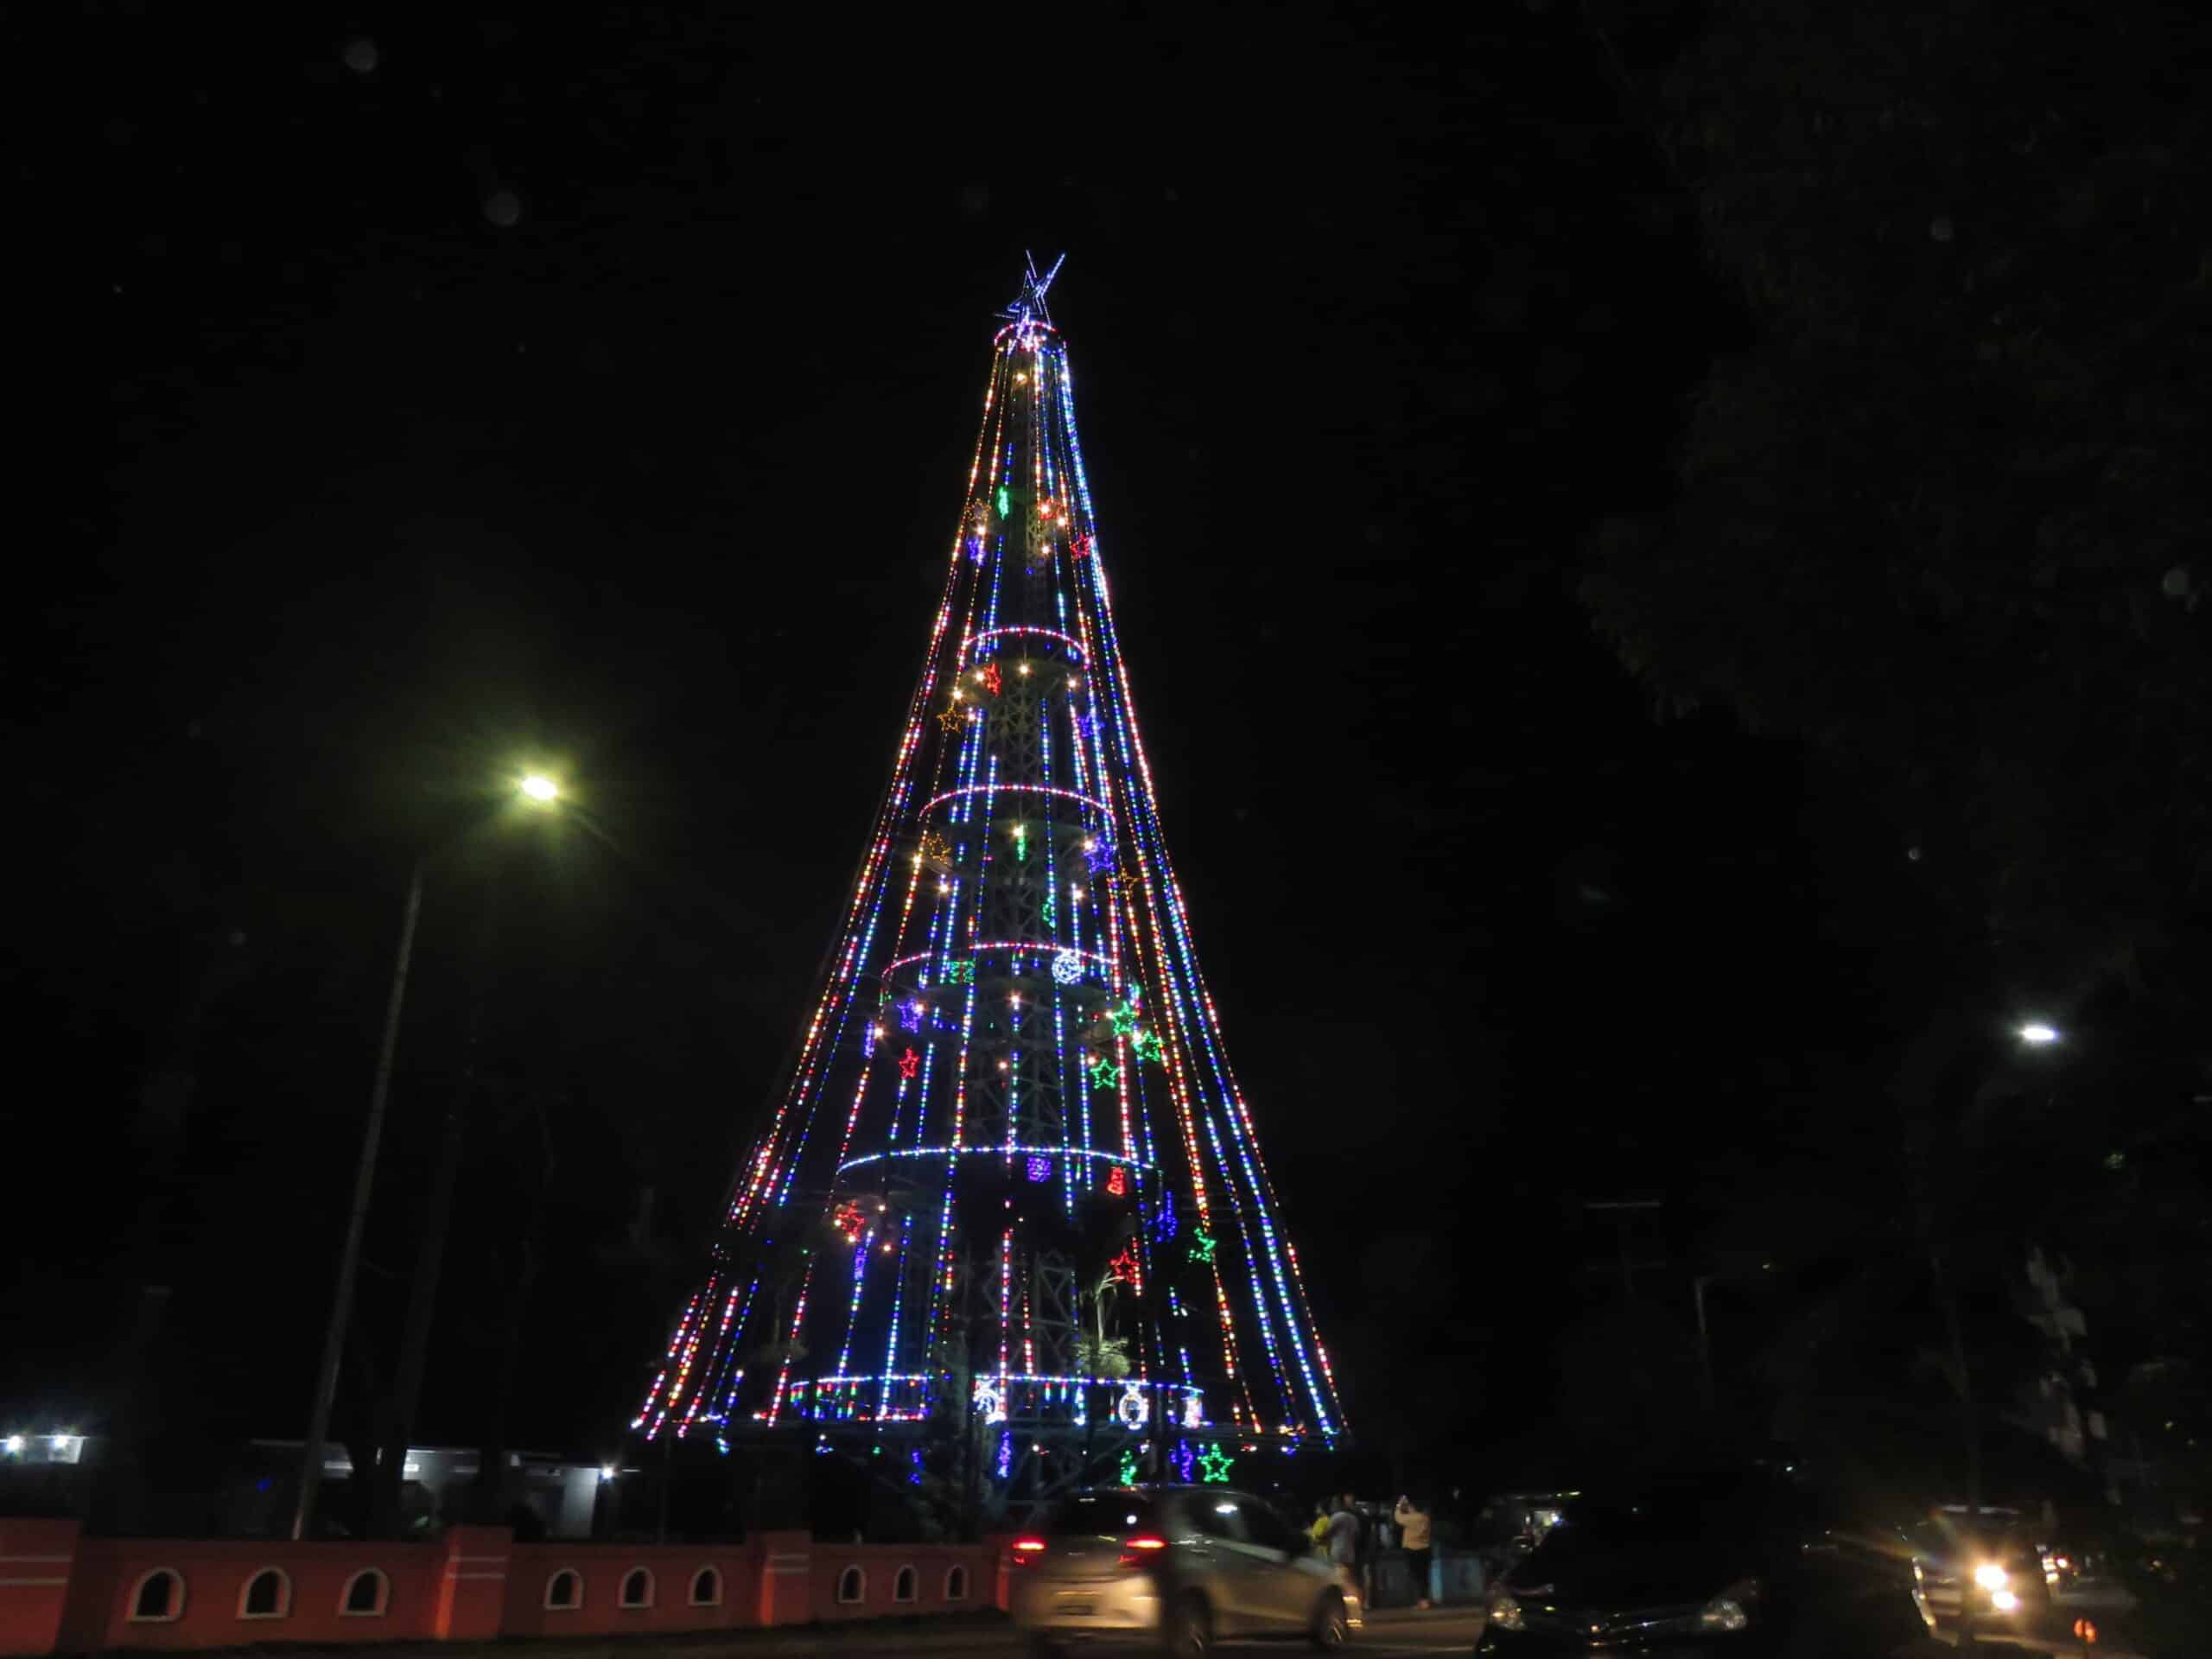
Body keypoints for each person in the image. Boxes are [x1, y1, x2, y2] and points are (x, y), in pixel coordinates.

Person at [1395, 1493, 1433, 1608]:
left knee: (1416, 1577)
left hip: (1412, 1550)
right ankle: (1425, 1600)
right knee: (1424, 1576)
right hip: (1425, 1549)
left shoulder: (1411, 1518)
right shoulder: (1425, 1518)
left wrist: (1399, 1505)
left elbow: (1398, 1517)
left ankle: (1420, 1601)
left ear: (1413, 1508)